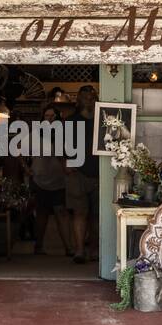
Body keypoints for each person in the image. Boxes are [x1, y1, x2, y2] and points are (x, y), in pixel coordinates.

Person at [27, 104, 73, 256]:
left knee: (61, 212)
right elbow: (18, 150)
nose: (50, 119)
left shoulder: (65, 134)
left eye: (52, 116)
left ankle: (69, 248)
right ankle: (38, 246)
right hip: (40, 179)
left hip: (59, 179)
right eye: (46, 116)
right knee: (41, 214)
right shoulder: (35, 134)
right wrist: (27, 170)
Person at [66, 84, 100, 263]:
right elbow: (59, 148)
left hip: (99, 173)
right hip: (77, 173)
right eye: (86, 97)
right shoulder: (71, 121)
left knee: (97, 215)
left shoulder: (103, 122)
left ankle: (94, 250)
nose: (89, 100)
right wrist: (64, 163)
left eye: (92, 97)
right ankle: (79, 251)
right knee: (80, 213)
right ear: (78, 99)